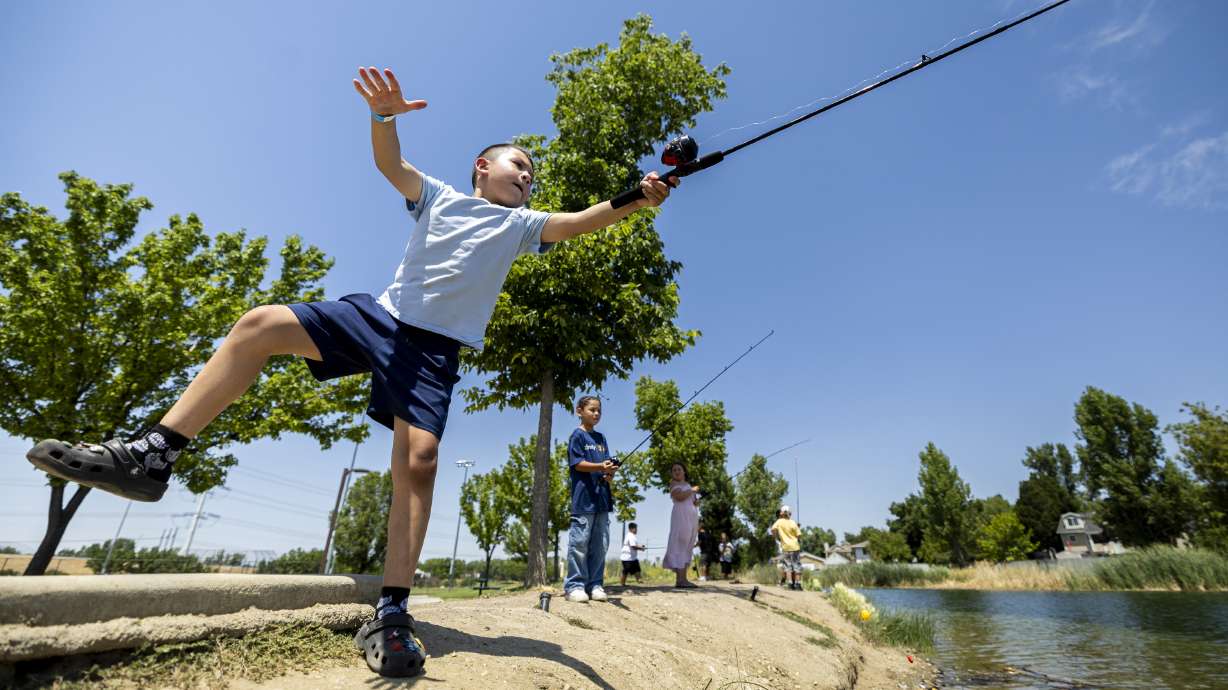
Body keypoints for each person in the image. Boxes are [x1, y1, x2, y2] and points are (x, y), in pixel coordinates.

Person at [24, 66, 678, 679]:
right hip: (381, 317)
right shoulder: (441, 198)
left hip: (432, 351)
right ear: (483, 168)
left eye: (534, 175)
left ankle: (393, 610)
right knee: (258, 326)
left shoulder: (523, 226)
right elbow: (389, 164)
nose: (528, 178)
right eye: (519, 166)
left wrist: (634, 198)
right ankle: (151, 453)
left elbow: (580, 222)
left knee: (418, 461)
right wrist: (385, 118)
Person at [565, 396, 617, 602]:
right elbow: (577, 464)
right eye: (592, 410)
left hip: (602, 499)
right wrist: (600, 467)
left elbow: (607, 464)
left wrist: (610, 472)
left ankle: (595, 584)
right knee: (579, 543)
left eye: (599, 411)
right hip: (583, 500)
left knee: (600, 544)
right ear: (580, 411)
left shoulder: (601, 438)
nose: (596, 414)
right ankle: (574, 586)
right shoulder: (577, 436)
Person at [662, 463, 700, 588]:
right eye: (674, 470)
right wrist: (692, 491)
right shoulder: (674, 484)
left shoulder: (687, 485)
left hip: (692, 518)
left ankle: (683, 579)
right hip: (681, 517)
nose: (677, 471)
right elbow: (679, 497)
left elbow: (693, 502)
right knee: (680, 543)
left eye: (679, 469)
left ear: (684, 471)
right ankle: (680, 579)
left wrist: (696, 501)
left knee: (688, 545)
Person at [770, 505, 803, 590]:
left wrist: (776, 536)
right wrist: (797, 538)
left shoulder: (779, 521)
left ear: (782, 513)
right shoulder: (793, 522)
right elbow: (799, 535)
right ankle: (798, 584)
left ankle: (790, 584)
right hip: (795, 547)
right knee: (797, 566)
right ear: (789, 513)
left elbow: (773, 529)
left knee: (788, 566)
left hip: (786, 547)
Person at [619, 521, 646, 586]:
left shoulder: (631, 536)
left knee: (637, 568)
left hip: (632, 557)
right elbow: (633, 546)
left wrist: (641, 546)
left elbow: (634, 545)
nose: (636, 530)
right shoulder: (631, 536)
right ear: (631, 529)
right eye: (635, 528)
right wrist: (641, 548)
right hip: (627, 557)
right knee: (626, 570)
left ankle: (639, 580)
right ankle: (622, 583)